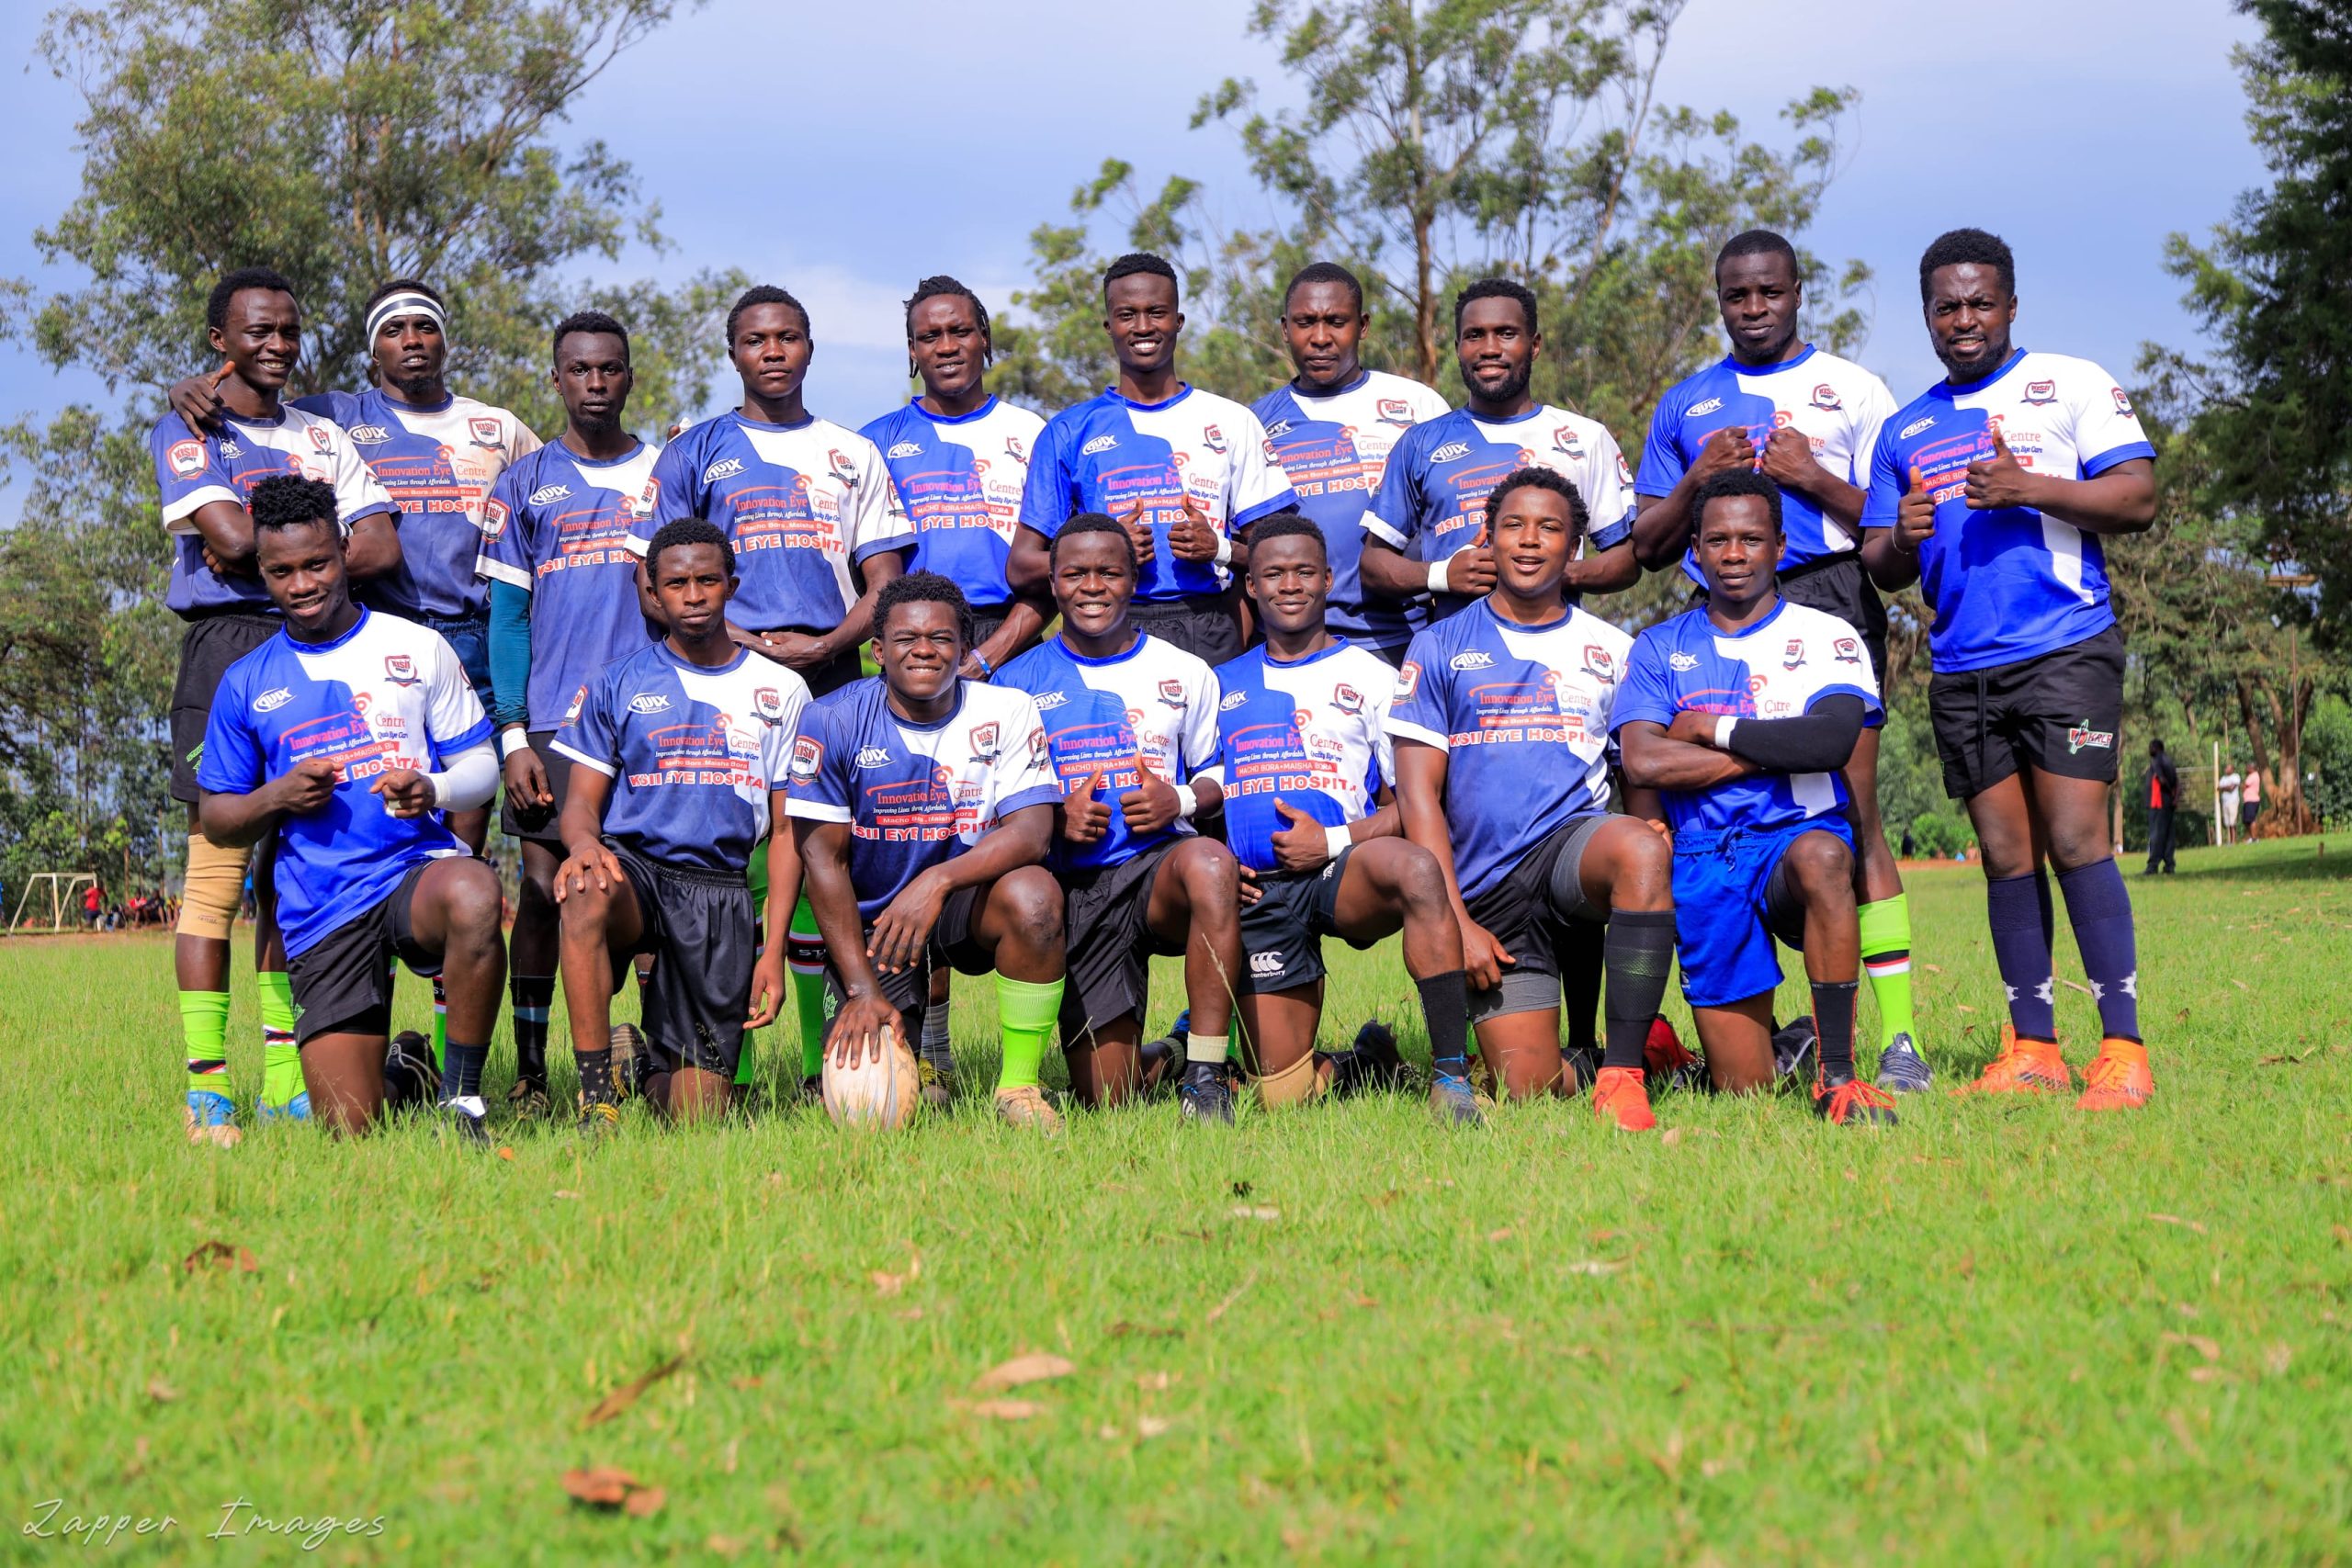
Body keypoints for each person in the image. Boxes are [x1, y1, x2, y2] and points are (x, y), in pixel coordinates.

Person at [1860, 227, 2158, 1111]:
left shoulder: (2069, 383)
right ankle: (2032, 1045)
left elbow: (2136, 496)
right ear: (1927, 316)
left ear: (2012, 305)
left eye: (1981, 301)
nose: (1965, 319)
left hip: (2065, 647)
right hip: (1961, 667)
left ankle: (2124, 1049)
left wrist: (2030, 486)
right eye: (1947, 306)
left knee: (2076, 840)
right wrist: (1900, 535)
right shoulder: (1904, 427)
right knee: (2004, 854)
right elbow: (1880, 559)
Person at [1629, 230, 1928, 1094]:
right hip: (1719, 602)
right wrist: (1697, 483)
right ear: (1719, 300)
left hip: (1828, 594)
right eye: (1736, 296)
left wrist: (1811, 476)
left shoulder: (1854, 389)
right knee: (1714, 805)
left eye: (1769, 292)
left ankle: (1898, 1042)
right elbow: (1648, 543)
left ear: (1799, 291)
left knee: (1855, 815)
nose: (1753, 308)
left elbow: (1890, 527)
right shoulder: (1687, 403)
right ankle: (1735, 1023)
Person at [635, 283, 915, 1104]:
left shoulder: (851, 453)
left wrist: (830, 642)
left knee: (823, 860)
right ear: (734, 354)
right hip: (726, 677)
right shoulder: (695, 450)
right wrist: (725, 648)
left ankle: (813, 1068)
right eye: (756, 339)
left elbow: (885, 581)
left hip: (831, 675)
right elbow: (651, 572)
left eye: (788, 337)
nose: (773, 352)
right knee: (738, 866)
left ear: (809, 349)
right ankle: (735, 1069)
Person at [150, 265, 402, 1143]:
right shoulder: (188, 426)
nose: (277, 345)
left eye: (289, 330)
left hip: (318, 652)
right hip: (226, 654)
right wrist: (298, 549)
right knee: (217, 875)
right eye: (258, 330)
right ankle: (208, 1085)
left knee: (289, 878)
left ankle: (288, 1078)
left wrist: (277, 554)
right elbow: (219, 538)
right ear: (219, 340)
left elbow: (377, 544)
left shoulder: (324, 436)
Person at [194, 475, 503, 1139]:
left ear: (343, 550)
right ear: (263, 572)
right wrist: (277, 795)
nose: (302, 584)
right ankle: (411, 1071)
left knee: (476, 893)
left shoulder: (416, 646)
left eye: (317, 563)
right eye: (281, 571)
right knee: (350, 1127)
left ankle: (462, 1101)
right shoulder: (246, 682)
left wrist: (434, 789)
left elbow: (482, 767)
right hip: (322, 906)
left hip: (413, 874)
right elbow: (218, 818)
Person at [1386, 468, 1676, 1132]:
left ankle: (1623, 1076)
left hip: (1572, 851)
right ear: (1487, 538)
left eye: (1549, 528)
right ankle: (1620, 1053)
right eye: (1513, 525)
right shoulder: (1438, 646)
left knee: (1635, 847)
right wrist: (1456, 921)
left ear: (1573, 548)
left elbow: (1636, 769)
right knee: (1527, 1086)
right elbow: (1420, 798)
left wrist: (1650, 833)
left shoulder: (1611, 649)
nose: (1528, 541)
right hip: (1488, 891)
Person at [1614, 469, 1898, 1125]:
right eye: (1717, 540)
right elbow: (1643, 758)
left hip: (1791, 840)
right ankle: (1785, 1046)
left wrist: (1713, 732)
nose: (1734, 554)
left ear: (1779, 544)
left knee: (1826, 856)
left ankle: (1837, 1078)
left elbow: (1828, 741)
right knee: (1745, 1088)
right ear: (1694, 548)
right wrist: (1767, 753)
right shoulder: (1661, 646)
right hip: (1702, 855)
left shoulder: (1827, 637)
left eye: (1750, 538)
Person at [1204, 513, 1479, 1122]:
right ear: (1251, 585)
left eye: (1305, 571)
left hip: (1345, 869)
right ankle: (1364, 1060)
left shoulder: (1374, 677)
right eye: (1273, 573)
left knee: (1415, 868)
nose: (1290, 584)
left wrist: (1328, 841)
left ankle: (1450, 1077)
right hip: (1262, 890)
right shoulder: (1221, 685)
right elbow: (1200, 790)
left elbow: (1409, 805)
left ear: (1328, 579)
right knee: (1281, 1095)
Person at [859, 276, 1055, 1095]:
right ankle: (929, 1043)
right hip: (908, 653)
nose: (945, 346)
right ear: (912, 348)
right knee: (914, 826)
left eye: (960, 331)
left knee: (1001, 832)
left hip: (1009, 646)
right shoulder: (874, 441)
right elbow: (871, 567)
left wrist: (987, 657)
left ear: (985, 339)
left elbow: (1051, 572)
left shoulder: (1032, 434)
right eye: (929, 335)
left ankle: (1029, 1067)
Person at [549, 520, 810, 1132]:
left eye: (706, 580)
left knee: (694, 1120)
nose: (692, 595)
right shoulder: (618, 682)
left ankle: (637, 1067)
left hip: (718, 890)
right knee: (583, 887)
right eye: (676, 583)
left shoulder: (782, 688)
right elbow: (580, 805)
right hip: (634, 871)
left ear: (731, 585)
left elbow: (785, 833)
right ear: (653, 592)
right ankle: (595, 1101)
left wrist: (771, 951)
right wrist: (584, 846)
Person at [785, 572, 1069, 1131]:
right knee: (871, 1110)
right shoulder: (830, 718)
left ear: (964, 649)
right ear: (878, 650)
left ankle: (1018, 1086)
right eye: (906, 638)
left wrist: (936, 883)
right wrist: (863, 988)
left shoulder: (1007, 709)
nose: (923, 650)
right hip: (876, 920)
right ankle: (918, 1046)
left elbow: (1033, 832)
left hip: (965, 900)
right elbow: (823, 861)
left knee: (1035, 897)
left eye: (941, 638)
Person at [996, 513, 1249, 1122]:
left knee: (1211, 861)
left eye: (1109, 572)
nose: (1092, 586)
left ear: (1133, 579)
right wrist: (1055, 821)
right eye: (1075, 573)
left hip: (1157, 869)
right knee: (1109, 1097)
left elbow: (1224, 773)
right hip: (1074, 890)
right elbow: (992, 803)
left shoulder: (1184, 670)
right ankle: (1170, 1051)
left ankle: (1208, 1074)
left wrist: (1179, 800)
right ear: (1052, 584)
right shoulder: (1014, 683)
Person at [476, 310, 662, 1115]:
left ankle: (652, 1052)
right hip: (554, 718)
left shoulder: (667, 472)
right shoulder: (521, 485)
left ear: (628, 376)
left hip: (655, 715)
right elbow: (507, 621)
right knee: (548, 883)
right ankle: (531, 1068)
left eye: (609, 369)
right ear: (556, 379)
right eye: (579, 369)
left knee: (659, 877)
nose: (595, 382)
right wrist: (513, 733)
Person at [1009, 253, 1298, 666]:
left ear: (1178, 321)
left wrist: (1217, 547)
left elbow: (1281, 555)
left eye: (1156, 312)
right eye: (1127, 314)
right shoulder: (1069, 430)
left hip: (1210, 626)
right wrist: (1106, 551)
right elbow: (1021, 568)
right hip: (1108, 629)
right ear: (1109, 326)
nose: (1143, 327)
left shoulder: (1233, 421)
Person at [1360, 277, 1641, 626]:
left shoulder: (1586, 438)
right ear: (1458, 345)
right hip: (1454, 661)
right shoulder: (1418, 443)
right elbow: (1373, 564)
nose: (1489, 348)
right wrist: (1441, 576)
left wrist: (1554, 572)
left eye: (1506, 333)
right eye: (1474, 335)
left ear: (1534, 345)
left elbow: (1626, 561)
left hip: (1556, 662)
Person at [1250, 262, 1452, 666]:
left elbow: (1448, 516)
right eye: (1306, 323)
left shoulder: (1418, 405)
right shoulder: (1254, 422)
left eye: (1336, 322)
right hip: (1293, 646)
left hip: (1403, 638)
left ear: (1362, 326)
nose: (1320, 338)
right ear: (1285, 329)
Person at [2144, 739, 2179, 874]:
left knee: (2156, 835)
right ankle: (2169, 865)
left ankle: (2152, 866)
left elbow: (2161, 778)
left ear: (2155, 748)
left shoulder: (2157, 760)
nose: (2149, 750)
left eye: (2150, 747)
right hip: (2168, 803)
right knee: (2169, 835)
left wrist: (2169, 790)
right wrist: (2174, 797)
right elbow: (2177, 782)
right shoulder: (2169, 761)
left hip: (2158, 803)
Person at [2216, 764, 2242, 846]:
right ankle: (2230, 841)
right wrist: (2225, 787)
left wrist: (2223, 788)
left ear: (2232, 769)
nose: (2226, 769)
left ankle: (2234, 841)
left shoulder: (2235, 777)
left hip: (2233, 801)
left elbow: (2231, 788)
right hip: (2225, 802)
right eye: (2225, 768)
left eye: (2228, 768)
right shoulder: (2223, 778)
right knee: (2227, 822)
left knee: (2232, 821)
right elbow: (2218, 788)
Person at [2241, 764, 2262, 838]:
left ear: (2251, 768)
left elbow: (2244, 786)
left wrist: (2241, 786)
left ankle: (2254, 838)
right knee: (2247, 820)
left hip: (2251, 800)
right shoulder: (2253, 776)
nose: (2246, 769)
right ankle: (2251, 837)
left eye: (2247, 767)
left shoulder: (2253, 776)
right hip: (2248, 800)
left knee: (2251, 820)